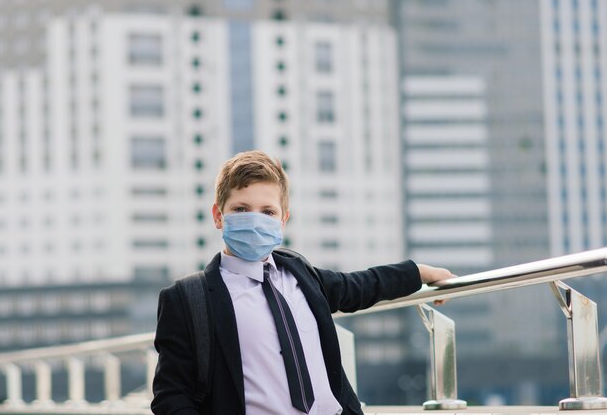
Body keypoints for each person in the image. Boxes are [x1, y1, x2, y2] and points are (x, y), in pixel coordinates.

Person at [151, 150, 455, 415]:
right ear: (219, 216)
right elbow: (171, 395)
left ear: (282, 221)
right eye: (241, 209)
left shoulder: (300, 273)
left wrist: (420, 272)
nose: (255, 219)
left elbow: (360, 286)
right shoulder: (187, 298)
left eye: (268, 211)